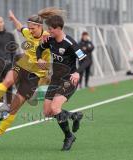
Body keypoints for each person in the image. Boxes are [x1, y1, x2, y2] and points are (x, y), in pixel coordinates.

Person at [0, 9, 53, 147]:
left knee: (13, 108)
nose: (30, 31)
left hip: (35, 75)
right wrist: (13, 18)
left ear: (40, 27)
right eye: (29, 28)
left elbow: (56, 56)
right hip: (23, 64)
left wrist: (46, 66)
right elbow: (20, 27)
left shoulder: (48, 38)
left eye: (32, 28)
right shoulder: (28, 32)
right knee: (7, 81)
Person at [36, 14, 90, 151]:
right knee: (47, 112)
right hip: (55, 80)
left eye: (51, 29)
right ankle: (74, 116)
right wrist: (39, 59)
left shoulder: (70, 43)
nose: (49, 31)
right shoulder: (50, 40)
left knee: (55, 108)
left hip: (68, 80)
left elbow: (86, 60)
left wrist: (77, 72)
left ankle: (68, 137)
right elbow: (39, 48)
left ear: (59, 29)